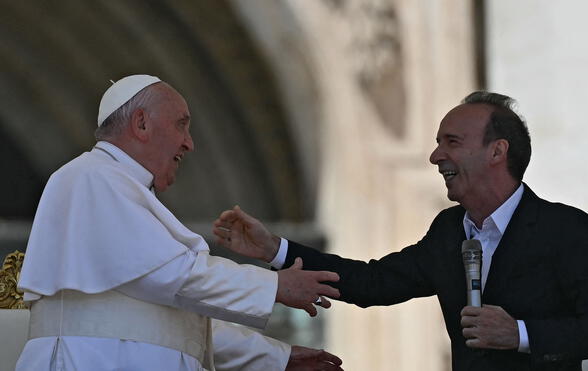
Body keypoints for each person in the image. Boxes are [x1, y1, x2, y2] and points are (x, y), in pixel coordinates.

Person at [214, 91, 588, 371]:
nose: (436, 156)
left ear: (497, 151)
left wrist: (519, 334)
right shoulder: (449, 231)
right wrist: (276, 250)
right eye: (438, 143)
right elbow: (373, 281)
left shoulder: (566, 229)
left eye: (451, 142)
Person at [16, 75, 343, 371]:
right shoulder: (92, 176)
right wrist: (276, 286)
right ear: (141, 123)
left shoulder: (124, 188)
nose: (190, 143)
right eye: (181, 125)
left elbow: (185, 324)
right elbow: (175, 276)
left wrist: (278, 358)